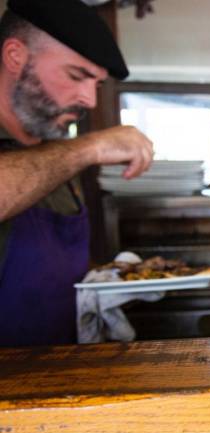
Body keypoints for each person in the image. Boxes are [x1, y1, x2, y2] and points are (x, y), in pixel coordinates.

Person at [0, 0, 154, 347]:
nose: (89, 100)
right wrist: (89, 148)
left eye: (96, 85)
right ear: (15, 56)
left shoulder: (54, 150)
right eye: (75, 76)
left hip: (61, 377)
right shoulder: (71, 153)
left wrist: (107, 281)